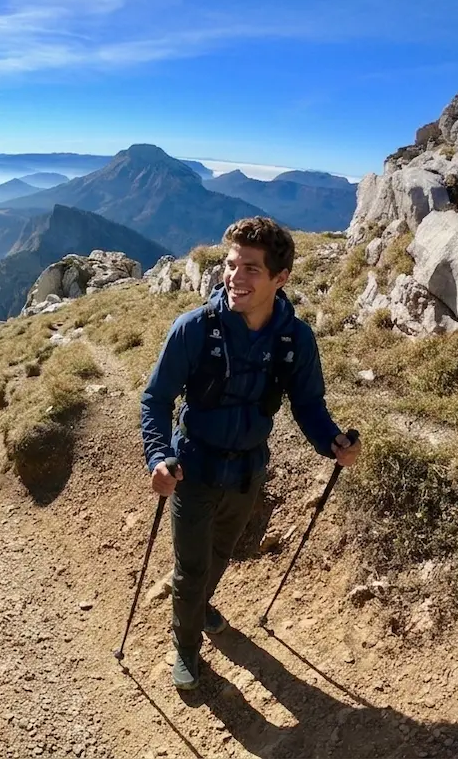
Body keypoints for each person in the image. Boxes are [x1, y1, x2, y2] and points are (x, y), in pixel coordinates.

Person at [140, 216, 361, 692]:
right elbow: (156, 399)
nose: (234, 276)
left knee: (222, 552)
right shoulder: (194, 329)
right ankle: (184, 644)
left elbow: (308, 405)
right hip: (192, 469)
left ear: (281, 279)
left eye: (251, 269)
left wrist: (332, 442)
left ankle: (198, 606)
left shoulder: (295, 340)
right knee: (192, 566)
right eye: (230, 263)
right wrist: (158, 456)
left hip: (247, 472)